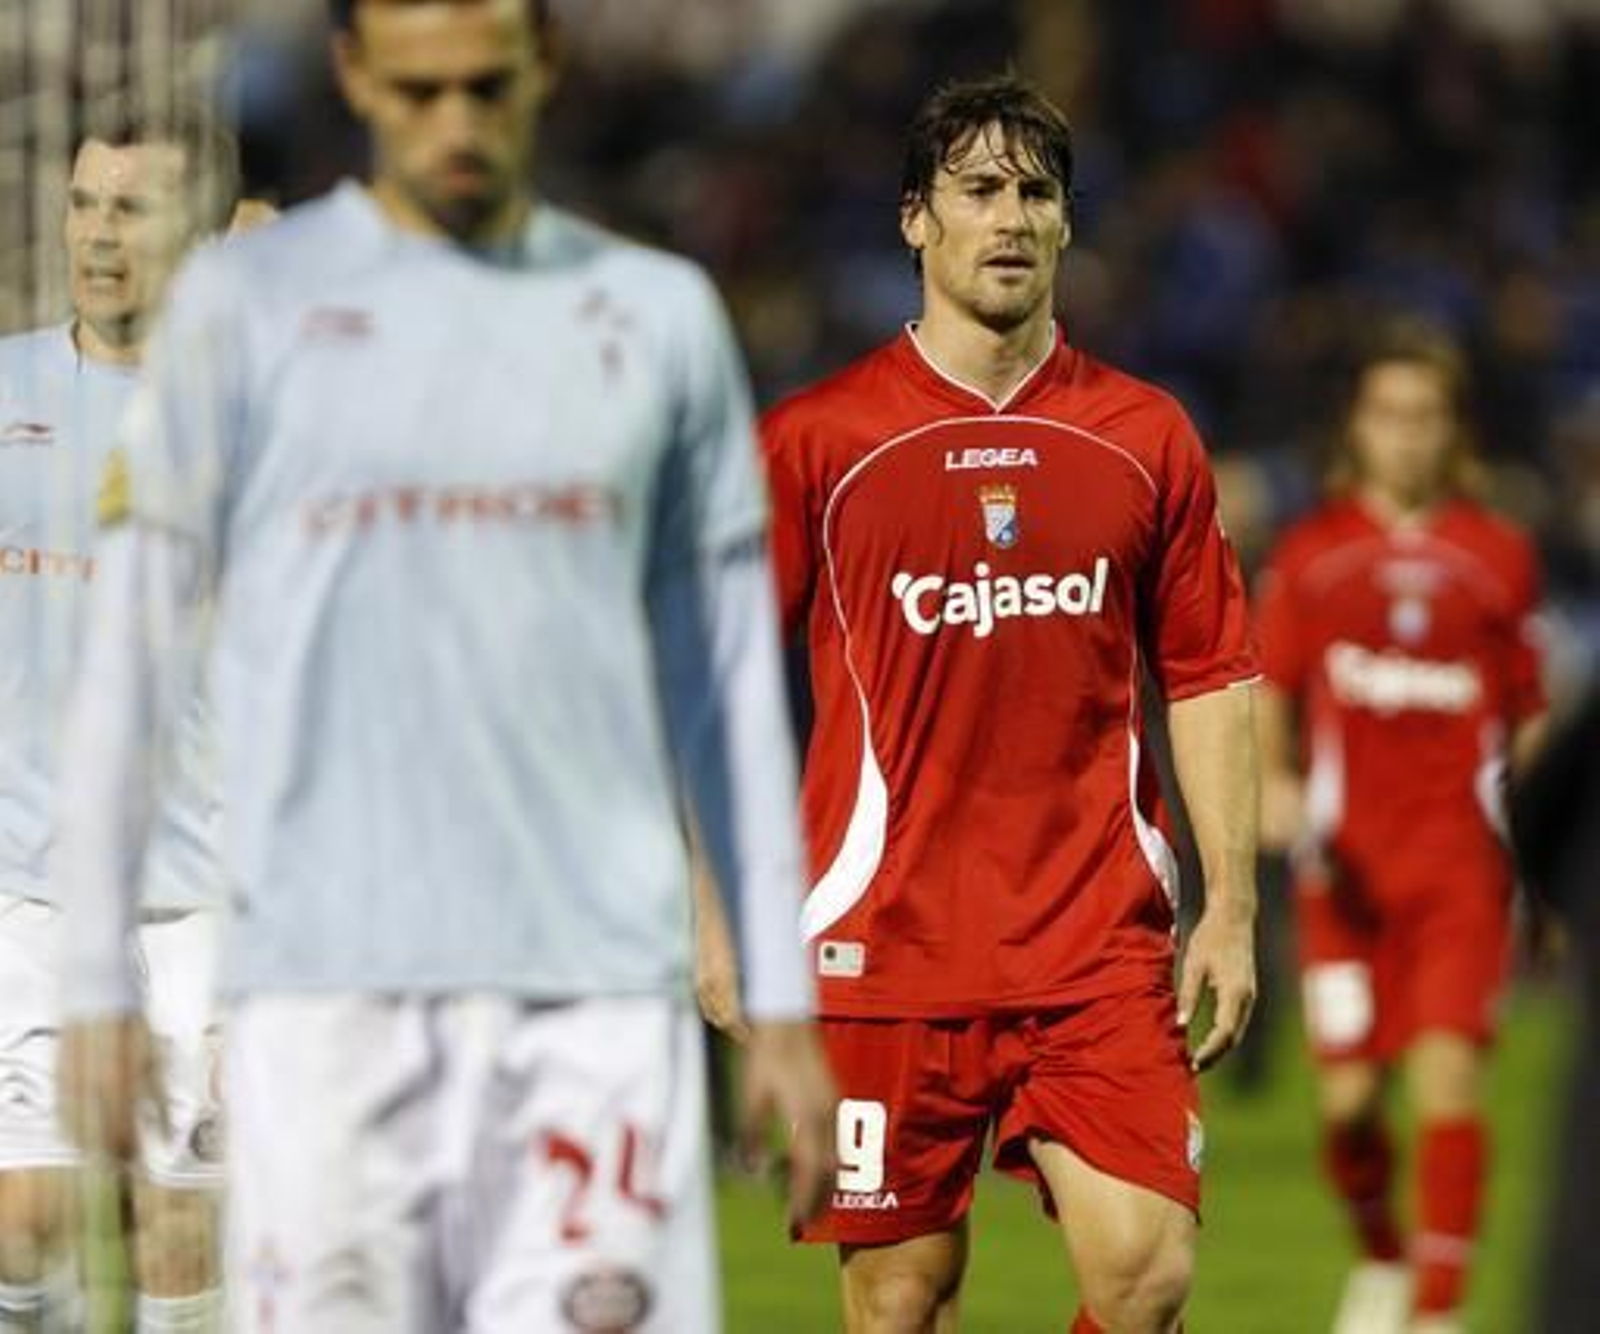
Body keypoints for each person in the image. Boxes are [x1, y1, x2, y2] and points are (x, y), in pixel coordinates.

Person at [54, 1, 834, 1331]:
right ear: (354, 75)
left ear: (547, 70)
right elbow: (125, 656)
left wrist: (779, 993)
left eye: (487, 85)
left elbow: (727, 682)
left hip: (592, 1001)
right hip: (325, 1002)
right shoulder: (244, 313)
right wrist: (90, 974)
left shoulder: (651, 319)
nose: (457, 125)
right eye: (419, 92)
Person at [753, 72, 1260, 1334]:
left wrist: (1233, 907)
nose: (1011, 218)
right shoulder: (820, 440)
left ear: (1069, 224)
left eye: (1037, 193)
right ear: (916, 219)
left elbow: (1206, 672)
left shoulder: (1145, 435)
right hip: (883, 943)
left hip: (1093, 939)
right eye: (979, 190)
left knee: (1143, 1277)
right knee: (898, 1300)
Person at [1255, 323, 1549, 1334]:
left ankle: (1436, 1306)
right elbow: (1268, 688)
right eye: (1388, 414)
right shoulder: (1312, 555)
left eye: (1425, 417)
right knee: (1344, 1106)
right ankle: (1381, 1252)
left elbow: (1530, 709)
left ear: (1452, 431)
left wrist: (1542, 854)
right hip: (1340, 874)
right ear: (1357, 425)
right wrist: (1273, 780)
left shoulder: (1497, 557)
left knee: (1447, 1076)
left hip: (1459, 870)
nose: (1407, 436)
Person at [0, 110, 239, 1334]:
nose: (97, 232)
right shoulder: (4, 391)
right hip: (29, 884)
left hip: (204, 894)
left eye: (131, 208)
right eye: (85, 202)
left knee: (178, 1219)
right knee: (25, 1215)